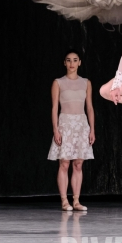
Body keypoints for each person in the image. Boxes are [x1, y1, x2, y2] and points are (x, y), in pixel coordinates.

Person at [48, 49, 95, 211]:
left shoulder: (86, 83)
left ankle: (76, 200)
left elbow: (89, 108)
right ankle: (64, 201)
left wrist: (92, 130)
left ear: (80, 62)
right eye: (68, 60)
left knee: (78, 163)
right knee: (64, 163)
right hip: (65, 123)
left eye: (75, 60)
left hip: (81, 124)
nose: (72, 63)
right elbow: (54, 107)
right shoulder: (58, 82)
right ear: (64, 63)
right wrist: (56, 129)